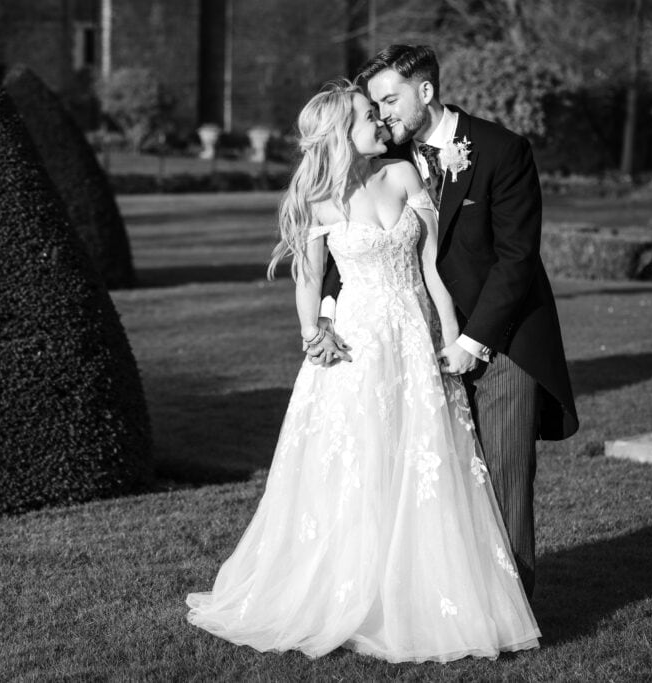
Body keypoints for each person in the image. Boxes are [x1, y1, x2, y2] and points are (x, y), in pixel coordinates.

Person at [185, 81, 541, 662]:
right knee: (358, 463)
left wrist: (451, 339)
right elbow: (309, 277)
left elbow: (431, 270)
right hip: (355, 345)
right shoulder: (318, 199)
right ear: (338, 134)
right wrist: (313, 334)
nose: (380, 122)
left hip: (414, 340)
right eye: (368, 116)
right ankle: (351, 595)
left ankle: (421, 596)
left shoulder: (403, 175)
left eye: (379, 112)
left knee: (419, 463)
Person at [315, 45, 579, 600]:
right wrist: (327, 314)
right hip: (411, 347)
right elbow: (352, 247)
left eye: (390, 100)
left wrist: (472, 339)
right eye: (376, 105)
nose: (382, 115)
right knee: (432, 480)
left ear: (426, 92)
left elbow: (517, 260)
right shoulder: (385, 160)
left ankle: (513, 614)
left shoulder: (501, 150)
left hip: (500, 341)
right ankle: (439, 604)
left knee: (504, 480)